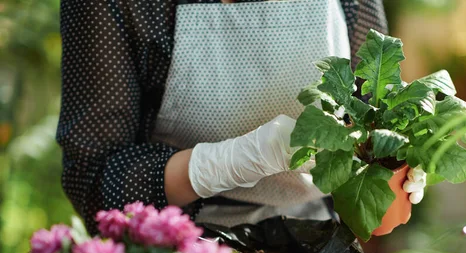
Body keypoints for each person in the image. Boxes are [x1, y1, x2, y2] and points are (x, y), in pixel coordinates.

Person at [56, 0, 426, 232]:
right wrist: (227, 163)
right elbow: (93, 181)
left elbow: (372, 113)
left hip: (312, 251)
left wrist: (396, 162)